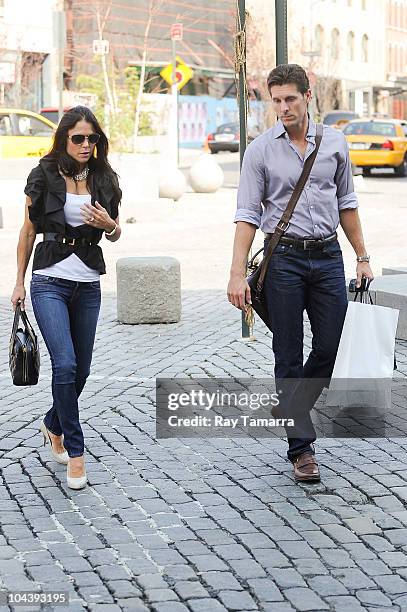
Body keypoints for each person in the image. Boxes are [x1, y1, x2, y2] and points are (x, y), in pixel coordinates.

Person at [227, 64, 374, 482]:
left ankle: (291, 404)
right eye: (276, 100)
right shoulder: (260, 151)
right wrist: (236, 274)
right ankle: (301, 449)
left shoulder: (335, 143)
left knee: (332, 344)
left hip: (327, 256)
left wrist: (361, 255)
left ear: (308, 97)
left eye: (290, 98)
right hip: (284, 260)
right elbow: (246, 216)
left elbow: (347, 203)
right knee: (287, 352)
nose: (283, 107)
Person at [11, 106, 122, 490]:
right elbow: (27, 232)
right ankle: (76, 454)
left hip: (87, 283)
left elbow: (115, 231)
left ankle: (52, 424)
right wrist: (18, 282)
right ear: (64, 139)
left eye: (92, 138)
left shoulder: (105, 178)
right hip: (49, 281)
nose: (86, 145)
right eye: (78, 138)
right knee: (66, 364)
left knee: (83, 370)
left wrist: (110, 225)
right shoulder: (42, 175)